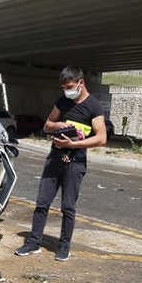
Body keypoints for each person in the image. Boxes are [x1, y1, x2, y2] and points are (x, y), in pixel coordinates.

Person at [14, 66, 107, 262]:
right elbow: (47, 125)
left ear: (81, 83)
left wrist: (74, 144)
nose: (67, 90)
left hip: (76, 161)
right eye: (64, 87)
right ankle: (33, 242)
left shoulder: (94, 106)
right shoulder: (63, 101)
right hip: (54, 157)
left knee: (68, 206)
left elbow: (101, 138)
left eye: (70, 86)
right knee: (42, 202)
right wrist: (59, 125)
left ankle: (64, 246)